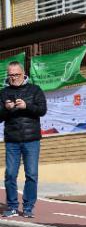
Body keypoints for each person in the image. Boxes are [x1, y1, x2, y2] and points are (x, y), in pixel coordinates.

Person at [0, 61, 46, 218]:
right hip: (12, 139)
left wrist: (27, 106)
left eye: (16, 75)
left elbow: (42, 110)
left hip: (31, 139)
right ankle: (12, 206)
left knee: (31, 174)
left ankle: (28, 207)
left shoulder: (35, 90)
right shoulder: (3, 93)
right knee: (10, 175)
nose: (13, 78)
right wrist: (6, 109)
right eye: (11, 75)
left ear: (23, 73)